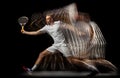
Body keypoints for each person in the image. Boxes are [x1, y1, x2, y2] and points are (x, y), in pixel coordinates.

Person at [21, 13, 99, 73]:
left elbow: (69, 27)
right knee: (42, 54)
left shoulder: (58, 23)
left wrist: (78, 31)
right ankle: (32, 69)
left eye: (48, 18)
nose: (47, 20)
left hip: (63, 45)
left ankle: (91, 67)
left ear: (51, 19)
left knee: (72, 61)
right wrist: (25, 32)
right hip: (55, 45)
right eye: (46, 19)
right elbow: (36, 32)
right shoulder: (46, 28)